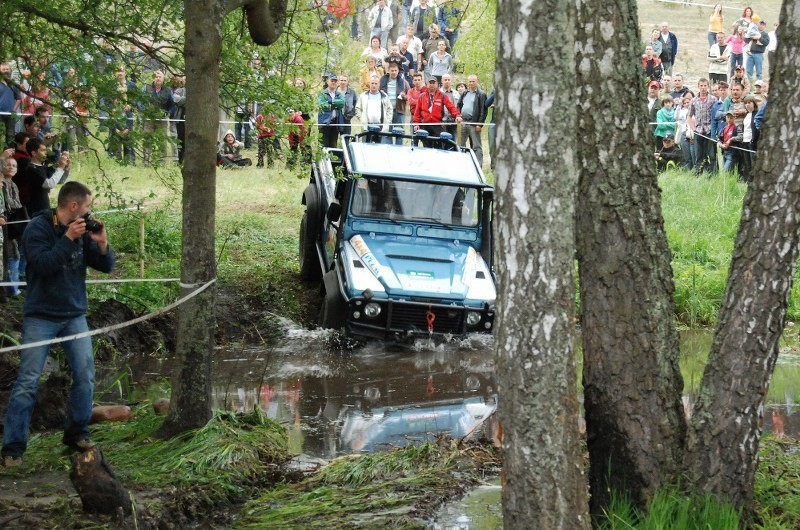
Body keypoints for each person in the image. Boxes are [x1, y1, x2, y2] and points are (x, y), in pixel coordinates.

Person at [1, 181, 115, 468]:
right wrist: (67, 238)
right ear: (73, 205)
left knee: (85, 375)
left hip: (74, 314)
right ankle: (13, 447)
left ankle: (77, 433)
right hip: (40, 316)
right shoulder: (38, 228)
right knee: (28, 380)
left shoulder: (81, 227)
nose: (90, 212)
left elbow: (104, 265)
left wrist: (101, 242)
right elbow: (43, 264)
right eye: (87, 206)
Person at [23, 138, 71, 214]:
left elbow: (60, 180)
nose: (45, 153)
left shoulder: (43, 167)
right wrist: (60, 167)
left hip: (45, 206)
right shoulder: (32, 169)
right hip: (36, 209)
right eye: (42, 150)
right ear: (33, 153)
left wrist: (65, 167)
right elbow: (49, 184)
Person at [1, 157, 23, 296]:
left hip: (12, 223)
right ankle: (11, 288)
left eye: (14, 165)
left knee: (14, 252)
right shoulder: (2, 183)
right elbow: (9, 204)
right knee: (10, 253)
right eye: (8, 164)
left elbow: (17, 203)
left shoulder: (13, 184)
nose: (11, 167)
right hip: (5, 224)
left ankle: (12, 286)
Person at [141, 70, 173, 166]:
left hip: (162, 120)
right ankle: (146, 161)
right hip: (148, 119)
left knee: (162, 140)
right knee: (147, 139)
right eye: (156, 76)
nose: (157, 78)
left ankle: (161, 161)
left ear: (163, 79)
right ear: (153, 78)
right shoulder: (146, 88)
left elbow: (172, 104)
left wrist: (169, 113)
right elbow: (140, 101)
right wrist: (143, 110)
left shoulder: (168, 90)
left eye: (160, 76)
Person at [688, 78, 718, 174]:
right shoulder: (694, 100)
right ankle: (699, 173)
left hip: (709, 131)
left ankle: (714, 174)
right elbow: (689, 116)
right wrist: (694, 129)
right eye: (701, 85)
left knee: (712, 155)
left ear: (708, 86)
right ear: (698, 86)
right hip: (698, 131)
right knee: (698, 155)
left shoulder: (713, 99)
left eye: (705, 85)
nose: (703, 88)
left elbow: (716, 115)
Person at [457, 75, 488, 167]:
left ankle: (478, 166)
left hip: (474, 124)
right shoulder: (465, 93)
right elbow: (459, 105)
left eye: (473, 81)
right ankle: (460, 165)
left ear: (477, 82)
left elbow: (483, 110)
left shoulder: (481, 94)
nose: (471, 83)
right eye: (470, 81)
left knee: (476, 146)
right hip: (463, 122)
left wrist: (480, 124)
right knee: (460, 145)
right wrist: (458, 115)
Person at [379, 61, 411, 142]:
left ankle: (399, 153)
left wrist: (404, 96)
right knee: (386, 134)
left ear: (398, 71)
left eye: (395, 70)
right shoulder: (383, 81)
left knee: (399, 134)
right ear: (388, 70)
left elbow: (410, 96)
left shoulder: (404, 82)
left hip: (399, 111)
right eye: (392, 70)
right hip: (387, 112)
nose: (393, 72)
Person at [317, 74, 345, 148]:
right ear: (327, 81)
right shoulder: (322, 93)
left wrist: (330, 101)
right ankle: (323, 160)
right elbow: (322, 105)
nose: (333, 83)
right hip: (324, 122)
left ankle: (332, 160)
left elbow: (342, 103)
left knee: (333, 145)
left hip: (335, 122)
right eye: (332, 81)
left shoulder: (339, 94)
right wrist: (335, 105)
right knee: (323, 145)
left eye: (335, 81)